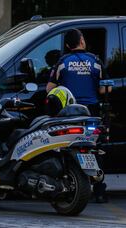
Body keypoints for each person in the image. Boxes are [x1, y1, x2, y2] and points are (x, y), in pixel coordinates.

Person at [46, 28, 109, 203]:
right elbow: (105, 89)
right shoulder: (95, 61)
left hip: (68, 113)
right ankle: (99, 190)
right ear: (82, 41)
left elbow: (50, 89)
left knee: (63, 146)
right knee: (96, 147)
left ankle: (65, 181)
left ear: (67, 45)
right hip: (91, 114)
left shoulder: (62, 62)